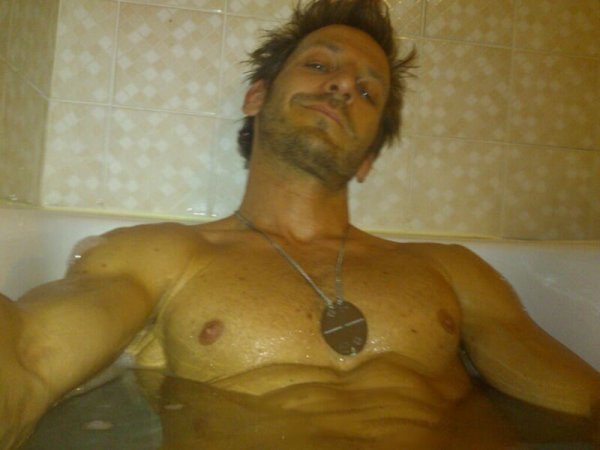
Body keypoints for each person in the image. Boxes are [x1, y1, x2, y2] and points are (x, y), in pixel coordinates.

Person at [1, 0, 599, 448]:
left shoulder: (450, 270)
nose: (343, 86)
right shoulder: (163, 257)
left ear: (369, 157)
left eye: (368, 92)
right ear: (257, 97)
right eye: (319, 65)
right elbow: (27, 361)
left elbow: (581, 402)